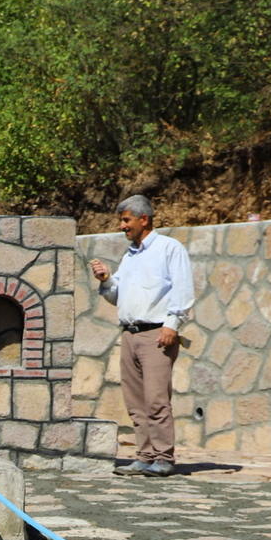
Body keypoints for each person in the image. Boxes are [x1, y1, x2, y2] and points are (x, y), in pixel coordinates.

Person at [88, 195, 195, 477]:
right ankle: (145, 455)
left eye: (126, 220)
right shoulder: (130, 255)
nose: (122, 226)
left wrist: (172, 325)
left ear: (143, 219)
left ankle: (162, 457)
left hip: (156, 334)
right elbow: (117, 296)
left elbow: (183, 290)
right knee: (135, 401)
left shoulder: (169, 249)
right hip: (130, 335)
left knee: (157, 399)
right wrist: (106, 280)